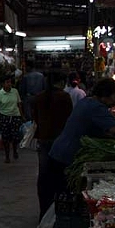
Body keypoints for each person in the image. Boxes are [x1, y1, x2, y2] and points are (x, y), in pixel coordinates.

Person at [40, 77, 115, 217]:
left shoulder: (87, 101)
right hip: (65, 156)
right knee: (61, 198)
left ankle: (50, 224)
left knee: (54, 196)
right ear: (105, 95)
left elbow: (102, 130)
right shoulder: (95, 107)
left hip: (58, 153)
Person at [34, 72, 74, 218]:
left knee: (44, 177)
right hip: (60, 141)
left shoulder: (39, 98)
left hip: (43, 140)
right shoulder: (64, 97)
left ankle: (44, 213)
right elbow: (70, 119)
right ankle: (59, 212)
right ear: (61, 81)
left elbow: (35, 119)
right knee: (60, 176)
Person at [0, 75, 24, 163]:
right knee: (5, 137)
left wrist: (22, 115)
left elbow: (19, 104)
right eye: (7, 82)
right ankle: (7, 156)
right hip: (4, 117)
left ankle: (14, 150)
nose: (9, 84)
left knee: (15, 136)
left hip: (15, 116)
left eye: (10, 82)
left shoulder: (15, 91)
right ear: (3, 84)